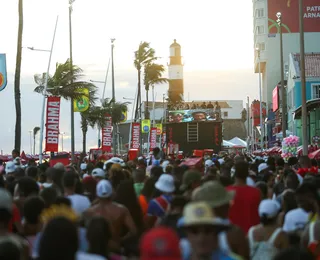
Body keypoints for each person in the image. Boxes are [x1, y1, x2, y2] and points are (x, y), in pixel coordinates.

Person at [191, 181, 250, 259]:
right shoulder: (234, 232)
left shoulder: (192, 231)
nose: (229, 205)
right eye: (227, 202)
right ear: (222, 206)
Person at [84, 180, 137, 253]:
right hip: (116, 247)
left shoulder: (89, 211)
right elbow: (133, 231)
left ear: (97, 194)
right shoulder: (122, 209)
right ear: (112, 193)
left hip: (96, 250)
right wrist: (120, 239)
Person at [227, 161, 261, 233]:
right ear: (247, 174)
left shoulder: (227, 192)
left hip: (232, 234)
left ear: (235, 174)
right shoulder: (256, 192)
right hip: (252, 234)